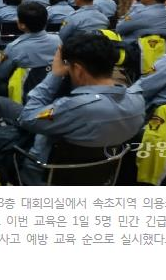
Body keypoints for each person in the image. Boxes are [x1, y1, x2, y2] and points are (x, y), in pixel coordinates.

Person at [14, 34, 146, 182]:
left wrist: (55, 75)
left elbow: (26, 117)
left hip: (47, 177)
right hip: (103, 176)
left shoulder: (73, 107)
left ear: (77, 70)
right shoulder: (137, 101)